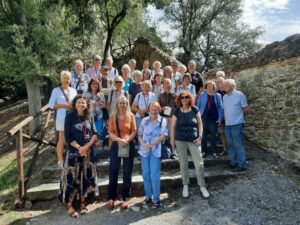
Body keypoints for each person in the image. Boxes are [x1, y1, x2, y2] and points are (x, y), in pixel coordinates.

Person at [60, 94, 99, 217]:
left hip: (87, 152)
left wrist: (86, 147)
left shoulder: (89, 116)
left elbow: (95, 133)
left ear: (87, 104)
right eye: (78, 102)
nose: (81, 104)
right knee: (71, 177)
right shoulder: (69, 117)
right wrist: (79, 148)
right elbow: (68, 136)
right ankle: (70, 205)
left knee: (85, 176)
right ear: (74, 104)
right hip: (73, 152)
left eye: (83, 102)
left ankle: (83, 202)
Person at [171, 91, 209, 199]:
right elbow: (173, 127)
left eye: (186, 97)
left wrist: (200, 136)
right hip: (180, 140)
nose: (184, 99)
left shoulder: (194, 109)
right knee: (183, 164)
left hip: (194, 139)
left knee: (199, 163)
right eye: (182, 97)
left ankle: (202, 186)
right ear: (179, 99)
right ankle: (185, 185)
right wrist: (172, 141)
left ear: (189, 98)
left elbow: (200, 124)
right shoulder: (177, 111)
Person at [108, 96, 137, 209]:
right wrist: (120, 140)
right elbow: (110, 132)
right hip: (116, 144)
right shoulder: (113, 116)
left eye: (125, 103)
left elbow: (134, 131)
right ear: (117, 104)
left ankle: (126, 198)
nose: (123, 105)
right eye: (121, 103)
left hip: (128, 144)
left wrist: (127, 140)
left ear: (127, 104)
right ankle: (111, 198)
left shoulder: (131, 116)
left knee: (127, 172)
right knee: (113, 171)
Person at [138, 102, 168, 209]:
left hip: (156, 150)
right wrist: (143, 144)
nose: (154, 111)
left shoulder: (162, 121)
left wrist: (150, 145)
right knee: (146, 174)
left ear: (159, 110)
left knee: (154, 175)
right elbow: (139, 134)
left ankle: (156, 199)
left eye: (156, 109)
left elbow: (163, 136)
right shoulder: (144, 120)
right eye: (152, 109)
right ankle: (148, 196)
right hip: (144, 150)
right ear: (149, 110)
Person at [49, 71, 77, 168]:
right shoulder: (56, 90)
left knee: (73, 137)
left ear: (70, 80)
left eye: (68, 78)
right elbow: (51, 105)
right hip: (61, 117)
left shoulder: (74, 90)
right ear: (61, 79)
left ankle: (73, 157)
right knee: (62, 138)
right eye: (64, 78)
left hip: (73, 116)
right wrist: (64, 106)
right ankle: (60, 160)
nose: (66, 80)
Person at [223, 79, 248, 172]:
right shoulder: (224, 97)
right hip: (228, 124)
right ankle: (233, 163)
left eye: (225, 85)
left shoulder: (240, 95)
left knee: (238, 144)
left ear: (232, 86)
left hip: (237, 124)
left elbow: (245, 109)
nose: (223, 86)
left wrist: (240, 119)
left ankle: (242, 164)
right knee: (230, 144)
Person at [197, 81, 223, 159]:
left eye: (211, 85)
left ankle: (214, 152)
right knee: (203, 135)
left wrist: (220, 118)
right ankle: (203, 151)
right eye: (208, 85)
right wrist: (197, 117)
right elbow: (198, 106)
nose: (209, 87)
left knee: (213, 135)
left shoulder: (217, 95)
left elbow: (220, 107)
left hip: (213, 118)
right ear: (206, 86)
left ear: (214, 87)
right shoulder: (202, 95)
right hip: (203, 117)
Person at [216, 77, 227, 156]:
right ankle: (224, 149)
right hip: (220, 115)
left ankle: (232, 149)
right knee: (222, 132)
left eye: (221, 81)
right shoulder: (215, 92)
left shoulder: (228, 91)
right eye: (218, 81)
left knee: (230, 132)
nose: (219, 83)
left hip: (229, 115)